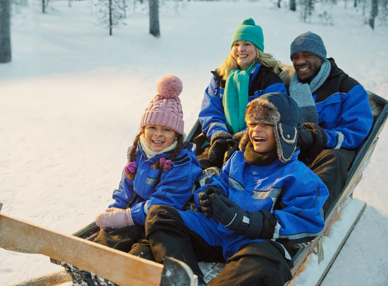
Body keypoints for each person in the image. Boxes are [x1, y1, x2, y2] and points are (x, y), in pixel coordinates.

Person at [146, 92, 329, 286]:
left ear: (284, 131)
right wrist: (210, 196)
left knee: (269, 261)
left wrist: (247, 222)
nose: (256, 130)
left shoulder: (301, 177)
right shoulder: (238, 159)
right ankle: (188, 281)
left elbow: (308, 223)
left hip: (251, 245)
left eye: (266, 124)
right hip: (216, 232)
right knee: (160, 214)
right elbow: (221, 182)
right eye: (252, 124)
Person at [64, 75, 203, 286]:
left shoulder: (182, 164)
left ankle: (119, 275)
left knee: (144, 243)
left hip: (165, 220)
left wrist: (127, 216)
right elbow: (125, 191)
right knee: (115, 232)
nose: (158, 135)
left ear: (176, 136)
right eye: (153, 128)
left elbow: (164, 203)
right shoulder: (137, 153)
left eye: (166, 130)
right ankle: (87, 266)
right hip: (139, 213)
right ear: (143, 130)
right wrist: (113, 214)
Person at [283, 31, 373, 216]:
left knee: (334, 158)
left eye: (307, 55)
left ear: (321, 57)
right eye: (295, 57)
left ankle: (305, 219)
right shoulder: (289, 86)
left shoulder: (349, 88)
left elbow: (355, 132)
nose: (300, 62)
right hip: (295, 147)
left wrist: (318, 137)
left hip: (330, 150)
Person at [198, 18, 287, 170]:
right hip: (219, 139)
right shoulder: (221, 77)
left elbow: (271, 117)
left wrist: (242, 137)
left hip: (254, 142)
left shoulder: (270, 80)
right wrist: (219, 135)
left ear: (257, 48)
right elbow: (210, 111)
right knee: (197, 166)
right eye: (236, 44)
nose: (241, 49)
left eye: (247, 44)